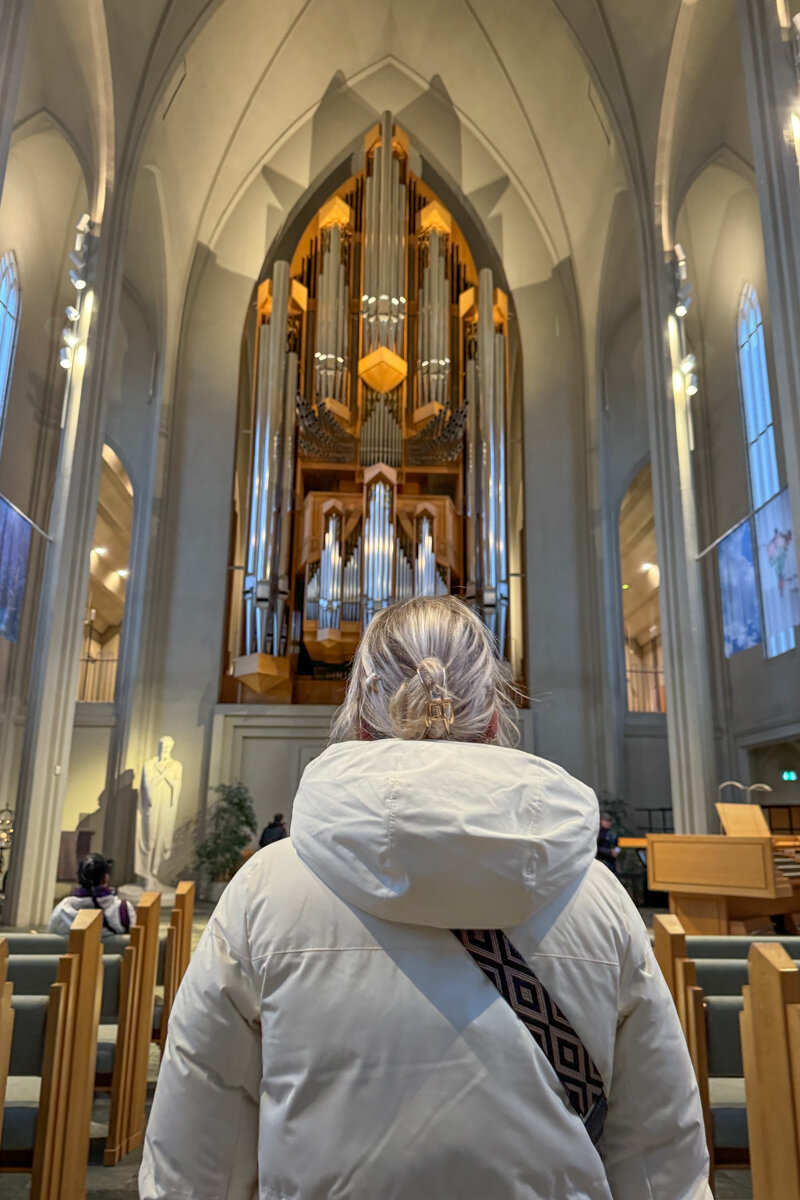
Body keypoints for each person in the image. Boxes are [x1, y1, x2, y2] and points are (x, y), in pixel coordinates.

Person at [141, 595, 711, 1200]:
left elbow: (197, 1157)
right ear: (494, 719)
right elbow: (660, 1162)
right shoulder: (596, 896)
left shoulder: (260, 891)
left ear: (359, 718)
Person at [48, 852, 135, 938]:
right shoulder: (123, 910)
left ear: (77, 879)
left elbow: (50, 941)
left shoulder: (62, 910)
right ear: (105, 879)